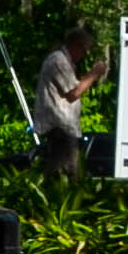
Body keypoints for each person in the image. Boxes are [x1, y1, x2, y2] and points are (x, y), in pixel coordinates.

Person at [31, 25, 111, 180]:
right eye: (84, 50)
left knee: (62, 170)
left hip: (64, 127)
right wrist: (94, 74)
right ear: (75, 44)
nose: (85, 54)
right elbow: (73, 93)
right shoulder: (58, 61)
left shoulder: (64, 61)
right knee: (66, 171)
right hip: (59, 126)